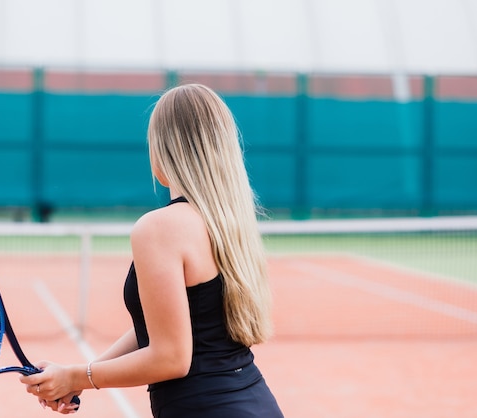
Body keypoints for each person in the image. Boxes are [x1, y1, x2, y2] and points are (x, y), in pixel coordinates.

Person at [20, 83, 284, 417]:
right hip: (256, 403)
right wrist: (78, 377)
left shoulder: (159, 228)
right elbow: (163, 323)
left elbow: (171, 356)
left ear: (165, 147)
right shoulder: (231, 225)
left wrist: (75, 375)